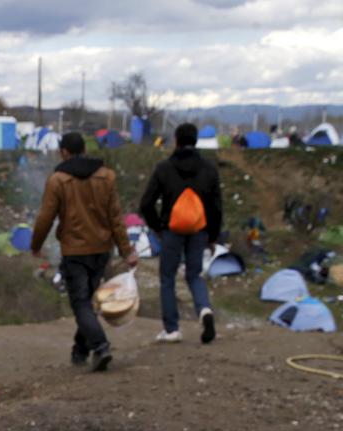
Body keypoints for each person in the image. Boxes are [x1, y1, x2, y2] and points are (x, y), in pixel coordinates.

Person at [30, 131, 138, 371]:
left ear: (64, 152)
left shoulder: (58, 180)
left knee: (81, 303)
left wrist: (36, 245)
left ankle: (100, 346)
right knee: (89, 301)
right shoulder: (106, 176)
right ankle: (80, 350)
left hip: (75, 251)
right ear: (85, 149)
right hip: (101, 249)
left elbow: (46, 217)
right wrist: (126, 251)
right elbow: (116, 218)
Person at [139, 123, 222, 344]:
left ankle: (172, 329)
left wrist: (158, 227)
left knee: (167, 277)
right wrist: (212, 236)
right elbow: (216, 208)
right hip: (199, 230)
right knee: (194, 275)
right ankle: (204, 310)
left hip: (171, 231)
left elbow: (146, 203)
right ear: (196, 140)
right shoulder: (209, 169)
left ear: (176, 140)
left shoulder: (164, 168)